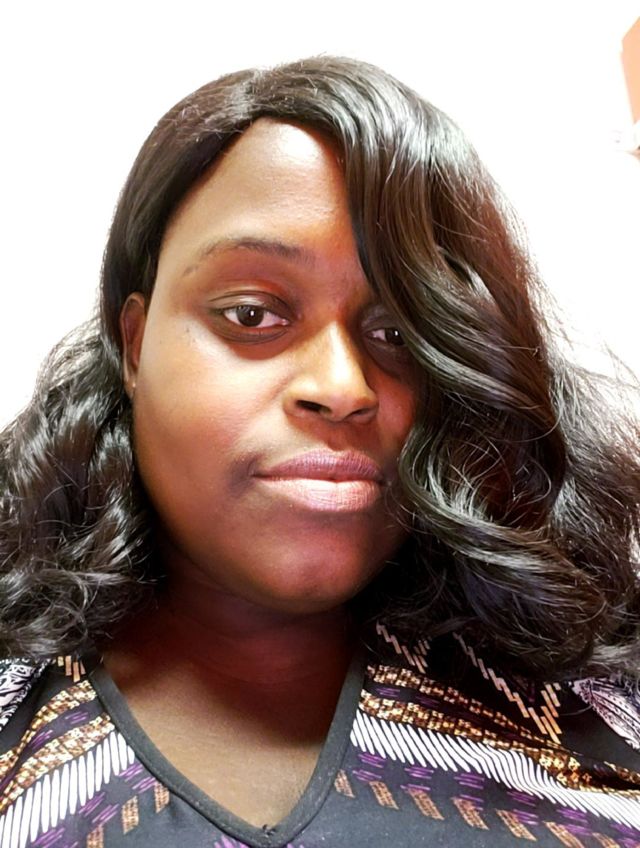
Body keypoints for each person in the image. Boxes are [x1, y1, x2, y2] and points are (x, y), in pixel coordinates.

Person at [0, 56, 639, 848]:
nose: (342, 387)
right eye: (252, 314)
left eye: (399, 331)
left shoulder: (600, 699)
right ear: (135, 344)